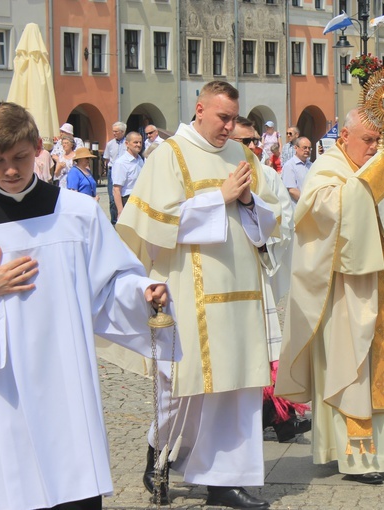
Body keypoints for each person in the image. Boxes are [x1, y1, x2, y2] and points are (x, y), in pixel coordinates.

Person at [0, 101, 176, 510]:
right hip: (1, 386)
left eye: (18, 158)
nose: (10, 170)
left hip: (63, 375)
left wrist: (142, 291)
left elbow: (111, 281)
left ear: (37, 147)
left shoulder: (77, 213)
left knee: (72, 485)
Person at [115, 80, 281, 509]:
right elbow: (154, 224)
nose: (228, 127)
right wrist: (218, 198)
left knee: (237, 385)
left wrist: (245, 201)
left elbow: (269, 219)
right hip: (188, 288)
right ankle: (159, 453)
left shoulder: (243, 155)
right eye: (222, 118)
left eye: (233, 119)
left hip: (240, 291)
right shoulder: (168, 155)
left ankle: (224, 480)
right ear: (200, 108)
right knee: (182, 388)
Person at [276, 108, 384, 485]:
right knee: (353, 370)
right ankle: (356, 458)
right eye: (368, 140)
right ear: (344, 136)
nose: (375, 147)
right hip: (345, 290)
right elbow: (317, 215)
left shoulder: (376, 163)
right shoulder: (327, 169)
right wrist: (368, 185)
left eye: (378, 141)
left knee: (383, 367)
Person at [231, 116, 309, 443]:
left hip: (259, 270)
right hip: (228, 276)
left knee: (265, 347)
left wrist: (265, 242)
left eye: (254, 141)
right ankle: (269, 417)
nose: (252, 147)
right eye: (245, 142)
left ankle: (279, 416)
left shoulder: (268, 175)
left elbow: (283, 219)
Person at [112, 132, 144, 218]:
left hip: (140, 199)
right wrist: (120, 211)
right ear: (127, 144)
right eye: (135, 142)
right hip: (127, 200)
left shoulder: (140, 159)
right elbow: (116, 189)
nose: (139, 145)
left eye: (140, 142)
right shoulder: (121, 163)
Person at [103, 122, 127, 224]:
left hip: (125, 170)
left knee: (124, 196)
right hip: (112, 171)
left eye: (116, 131)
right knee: (112, 198)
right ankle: (114, 222)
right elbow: (106, 158)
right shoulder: (110, 144)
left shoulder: (128, 142)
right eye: (113, 131)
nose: (114, 133)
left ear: (122, 132)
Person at [281, 136, 312, 202]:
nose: (307, 150)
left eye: (309, 148)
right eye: (304, 148)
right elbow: (292, 190)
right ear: (296, 148)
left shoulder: (311, 165)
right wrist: (307, 202)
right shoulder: (289, 166)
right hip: (297, 207)